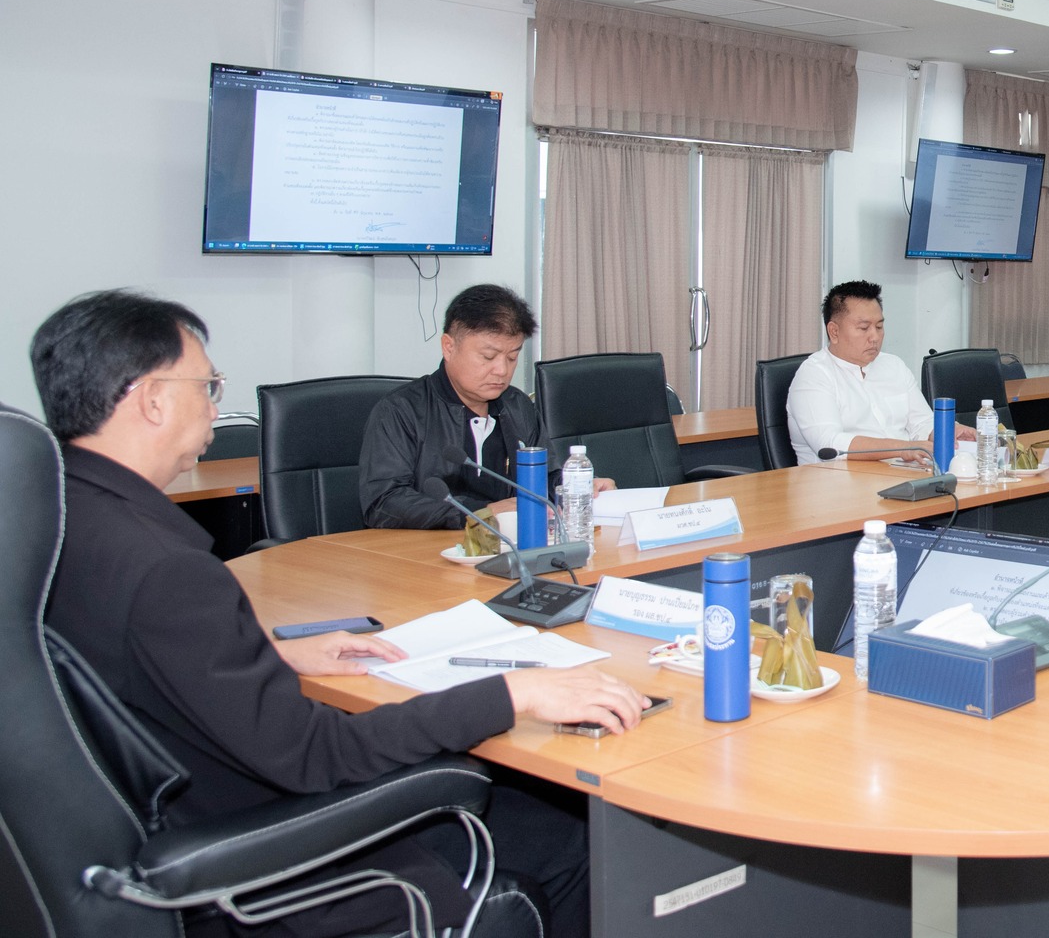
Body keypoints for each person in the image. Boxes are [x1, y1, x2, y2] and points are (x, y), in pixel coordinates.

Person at [31, 290, 651, 937]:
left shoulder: (61, 521)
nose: (216, 405)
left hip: (174, 812)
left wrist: (269, 654)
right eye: (208, 385)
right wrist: (513, 692)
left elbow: (136, 666)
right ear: (152, 400)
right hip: (280, 861)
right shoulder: (168, 572)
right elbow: (316, 753)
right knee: (573, 830)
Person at [360, 283, 609, 529]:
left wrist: (579, 486)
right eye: (488, 357)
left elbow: (543, 480)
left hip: (509, 544)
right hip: (428, 549)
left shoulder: (518, 406)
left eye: (512, 357)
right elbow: (383, 502)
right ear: (449, 347)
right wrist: (479, 514)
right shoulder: (401, 411)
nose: (502, 370)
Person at [785, 280, 972, 466]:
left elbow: (922, 424)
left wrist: (949, 432)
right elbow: (829, 444)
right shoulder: (814, 375)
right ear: (834, 332)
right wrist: (903, 448)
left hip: (903, 475)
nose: (875, 337)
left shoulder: (894, 366)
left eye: (879, 327)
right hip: (838, 480)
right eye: (864, 328)